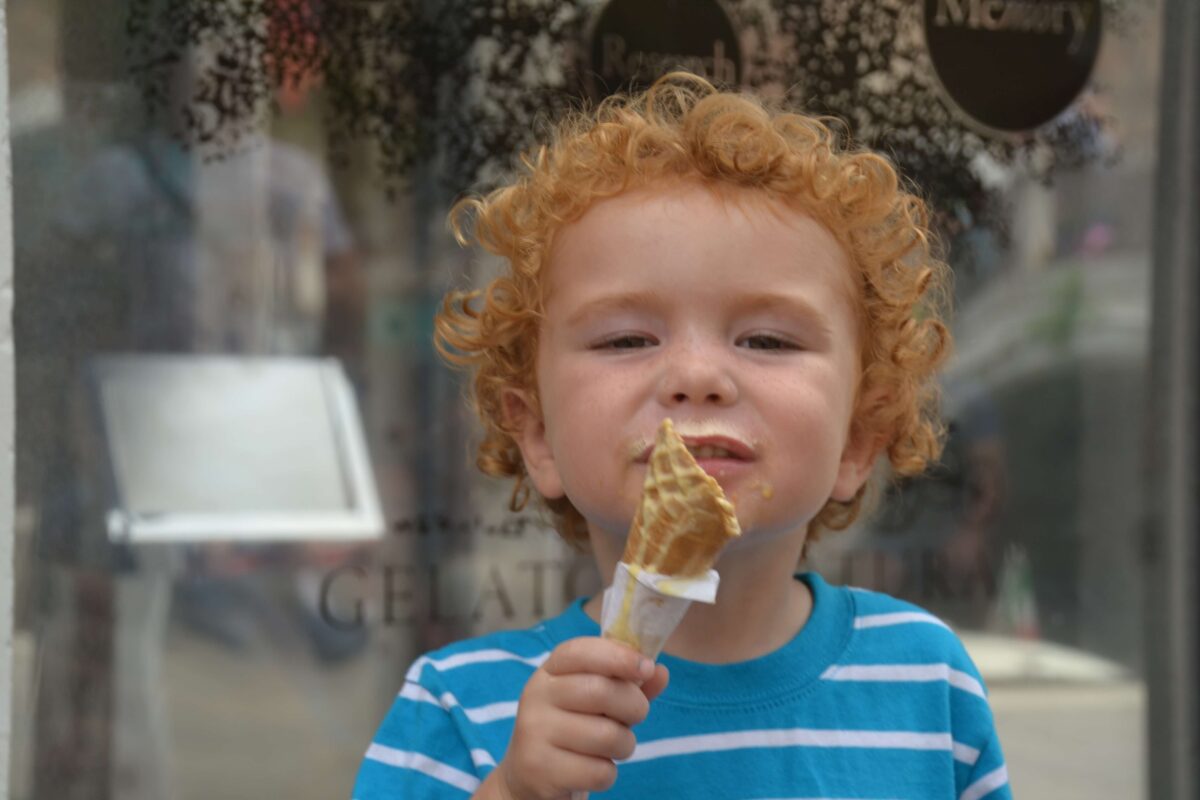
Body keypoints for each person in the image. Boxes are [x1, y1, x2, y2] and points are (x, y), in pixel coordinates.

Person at [351, 72, 1011, 799]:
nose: (697, 376)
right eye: (627, 338)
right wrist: (511, 791)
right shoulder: (462, 709)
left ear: (858, 440)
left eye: (765, 340)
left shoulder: (925, 681)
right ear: (537, 435)